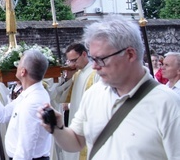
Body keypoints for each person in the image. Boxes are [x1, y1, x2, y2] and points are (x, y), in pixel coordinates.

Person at [39, 15, 180, 159]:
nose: (94, 66)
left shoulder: (168, 103)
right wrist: (57, 128)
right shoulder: (94, 94)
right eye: (93, 59)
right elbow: (75, 141)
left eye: (101, 59)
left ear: (130, 54)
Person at [0, 49, 52, 159]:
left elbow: (26, 149)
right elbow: (2, 115)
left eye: (19, 63)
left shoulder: (33, 102)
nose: (16, 66)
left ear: (23, 72)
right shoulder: (27, 94)